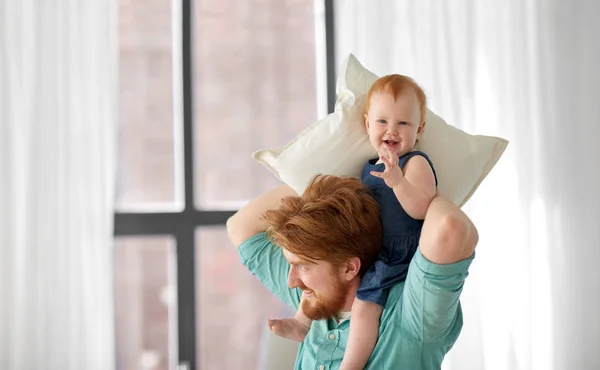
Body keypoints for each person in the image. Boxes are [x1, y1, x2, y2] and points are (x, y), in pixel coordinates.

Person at [268, 74, 438, 369]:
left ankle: (351, 364)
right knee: (320, 273)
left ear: (419, 130)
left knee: (364, 307)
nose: (392, 131)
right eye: (382, 121)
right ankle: (301, 322)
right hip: (368, 247)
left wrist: (398, 181)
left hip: (395, 255)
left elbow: (423, 207)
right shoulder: (366, 167)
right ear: (367, 124)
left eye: (403, 123)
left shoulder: (415, 163)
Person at [227, 173, 478, 369]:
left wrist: (413, 191)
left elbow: (451, 228)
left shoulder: (409, 315)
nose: (292, 281)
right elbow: (240, 226)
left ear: (349, 268)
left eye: (303, 265)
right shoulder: (314, 304)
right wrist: (331, 190)